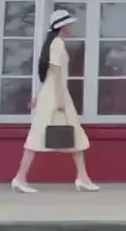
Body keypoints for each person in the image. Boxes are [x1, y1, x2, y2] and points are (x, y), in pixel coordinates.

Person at [11, 10, 98, 194]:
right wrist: (60, 102)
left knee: (72, 135)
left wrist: (38, 96)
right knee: (40, 137)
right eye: (69, 24)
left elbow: (48, 76)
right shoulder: (57, 43)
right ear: (63, 26)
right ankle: (20, 178)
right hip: (56, 96)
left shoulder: (52, 43)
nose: (72, 27)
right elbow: (57, 75)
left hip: (52, 94)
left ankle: (83, 177)